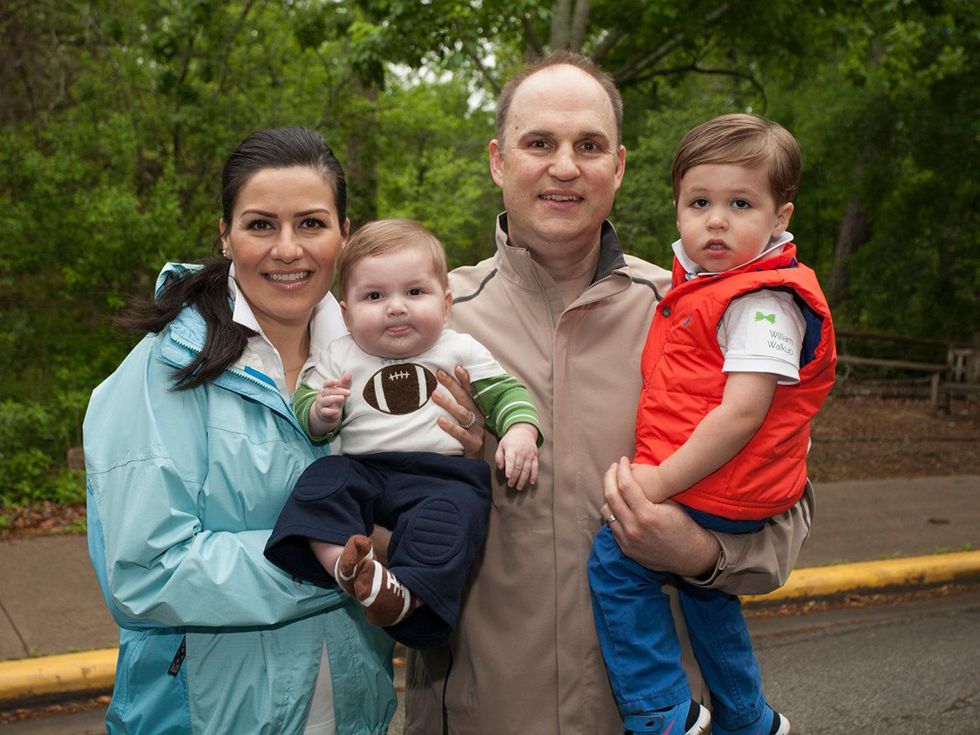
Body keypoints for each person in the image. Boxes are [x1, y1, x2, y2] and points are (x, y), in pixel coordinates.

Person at [404, 52, 816, 735]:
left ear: (618, 168)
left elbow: (786, 514)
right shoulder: (428, 323)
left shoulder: (698, 314)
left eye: (588, 146)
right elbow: (376, 514)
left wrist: (699, 553)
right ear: (498, 161)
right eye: (539, 143)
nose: (565, 166)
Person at [83, 128, 481, 734]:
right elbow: (145, 571)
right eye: (261, 224)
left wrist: (460, 457)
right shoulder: (163, 371)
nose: (288, 249)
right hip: (207, 718)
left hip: (354, 712)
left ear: (345, 234)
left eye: (312, 224)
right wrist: (344, 563)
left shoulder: (379, 356)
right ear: (225, 235)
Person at [588, 114, 836, 735]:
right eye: (700, 201)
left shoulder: (763, 301)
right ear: (677, 208)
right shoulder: (709, 287)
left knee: (616, 564)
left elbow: (742, 413)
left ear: (780, 216)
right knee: (707, 598)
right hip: (726, 486)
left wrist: (658, 484)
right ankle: (747, 715)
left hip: (721, 483)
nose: (717, 220)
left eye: (740, 203)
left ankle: (658, 709)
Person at [264, 218, 541, 648]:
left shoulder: (458, 349)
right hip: (364, 471)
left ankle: (404, 598)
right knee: (320, 484)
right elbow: (307, 412)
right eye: (374, 296)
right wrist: (321, 412)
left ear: (446, 304)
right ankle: (344, 564)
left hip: (441, 475)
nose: (396, 307)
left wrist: (520, 430)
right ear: (346, 313)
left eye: (415, 292)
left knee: (450, 521)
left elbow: (504, 392)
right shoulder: (339, 354)